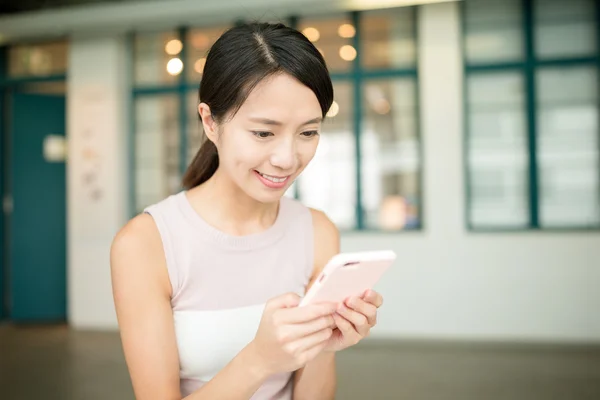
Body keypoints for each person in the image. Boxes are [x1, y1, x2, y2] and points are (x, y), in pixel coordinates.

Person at [110, 21, 384, 400]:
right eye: (263, 132)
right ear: (210, 122)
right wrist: (260, 359)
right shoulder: (146, 244)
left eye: (308, 132)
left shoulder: (318, 232)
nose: (287, 159)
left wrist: (321, 344)